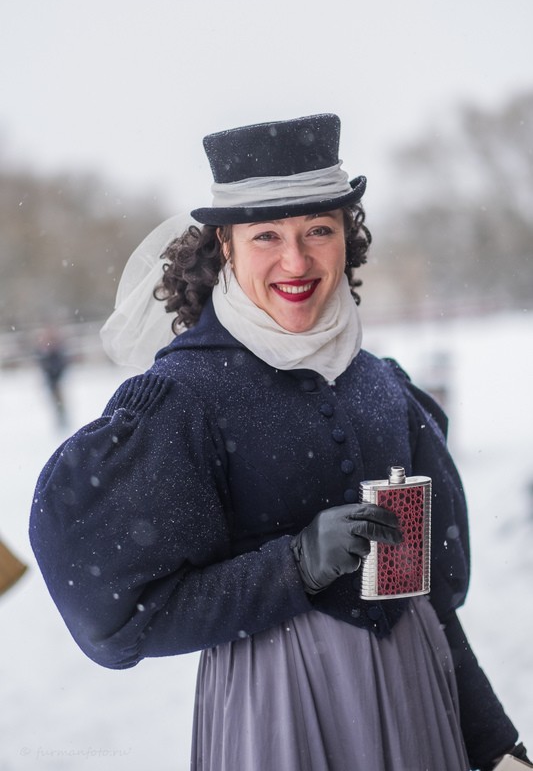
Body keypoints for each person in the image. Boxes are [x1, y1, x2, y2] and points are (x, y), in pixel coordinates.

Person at [29, 114, 530, 771]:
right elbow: (123, 619)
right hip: (279, 713)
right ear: (224, 248)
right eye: (266, 235)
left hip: (417, 698)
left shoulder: (380, 385)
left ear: (345, 239)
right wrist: (291, 566)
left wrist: (495, 743)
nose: (296, 260)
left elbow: (427, 597)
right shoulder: (186, 399)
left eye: (318, 230)